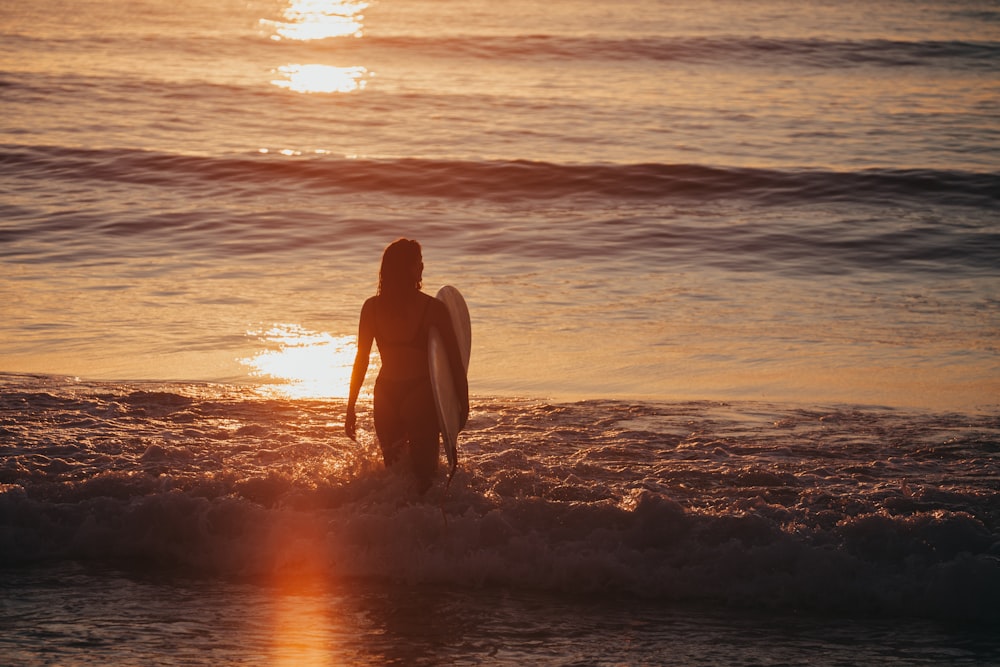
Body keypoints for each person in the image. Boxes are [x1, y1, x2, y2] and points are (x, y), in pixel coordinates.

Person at [345, 239, 469, 493]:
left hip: (385, 395)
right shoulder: (433, 309)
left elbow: (361, 360)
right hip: (419, 394)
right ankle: (424, 526)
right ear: (411, 269)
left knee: (394, 478)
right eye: (418, 263)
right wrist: (462, 404)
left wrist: (350, 406)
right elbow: (455, 363)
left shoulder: (371, 308)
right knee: (426, 478)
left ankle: (391, 526)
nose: (422, 267)